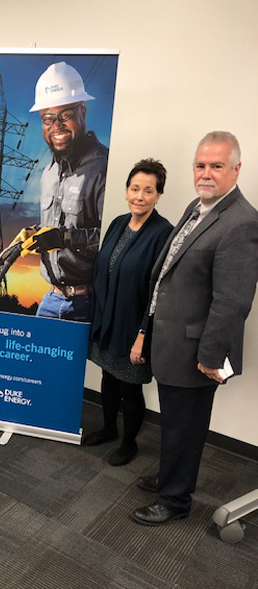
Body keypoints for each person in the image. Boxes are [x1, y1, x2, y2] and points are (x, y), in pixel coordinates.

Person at [132, 131, 258, 525]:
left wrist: (208, 357)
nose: (206, 173)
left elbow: (232, 301)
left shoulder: (241, 223)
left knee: (186, 426)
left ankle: (174, 500)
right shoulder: (198, 205)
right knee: (175, 421)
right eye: (200, 165)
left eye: (217, 166)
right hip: (171, 341)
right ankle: (171, 476)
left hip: (196, 352)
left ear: (236, 169)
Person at [84, 159, 173, 465]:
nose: (140, 196)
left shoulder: (164, 234)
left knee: (130, 386)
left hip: (134, 326)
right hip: (108, 320)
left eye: (148, 191)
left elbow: (159, 291)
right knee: (108, 378)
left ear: (158, 196)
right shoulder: (118, 223)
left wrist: (142, 335)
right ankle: (109, 428)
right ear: (126, 191)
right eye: (135, 188)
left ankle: (129, 442)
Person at [18, 62, 109, 321]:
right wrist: (37, 233)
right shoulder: (48, 173)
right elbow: (58, 225)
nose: (56, 125)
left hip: (87, 303)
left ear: (82, 111)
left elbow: (113, 240)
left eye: (65, 115)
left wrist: (64, 238)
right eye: (47, 118)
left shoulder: (103, 167)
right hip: (51, 299)